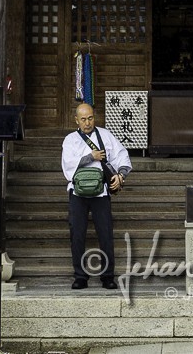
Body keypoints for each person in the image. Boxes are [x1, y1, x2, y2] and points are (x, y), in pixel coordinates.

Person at [61, 102, 131, 289]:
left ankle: (107, 276)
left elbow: (122, 157)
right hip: (78, 193)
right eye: (83, 119)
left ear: (94, 117)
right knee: (77, 234)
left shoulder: (106, 135)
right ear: (76, 120)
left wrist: (120, 175)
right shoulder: (70, 139)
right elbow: (68, 166)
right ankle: (80, 276)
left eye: (90, 118)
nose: (87, 122)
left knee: (105, 234)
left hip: (101, 193)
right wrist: (90, 157)